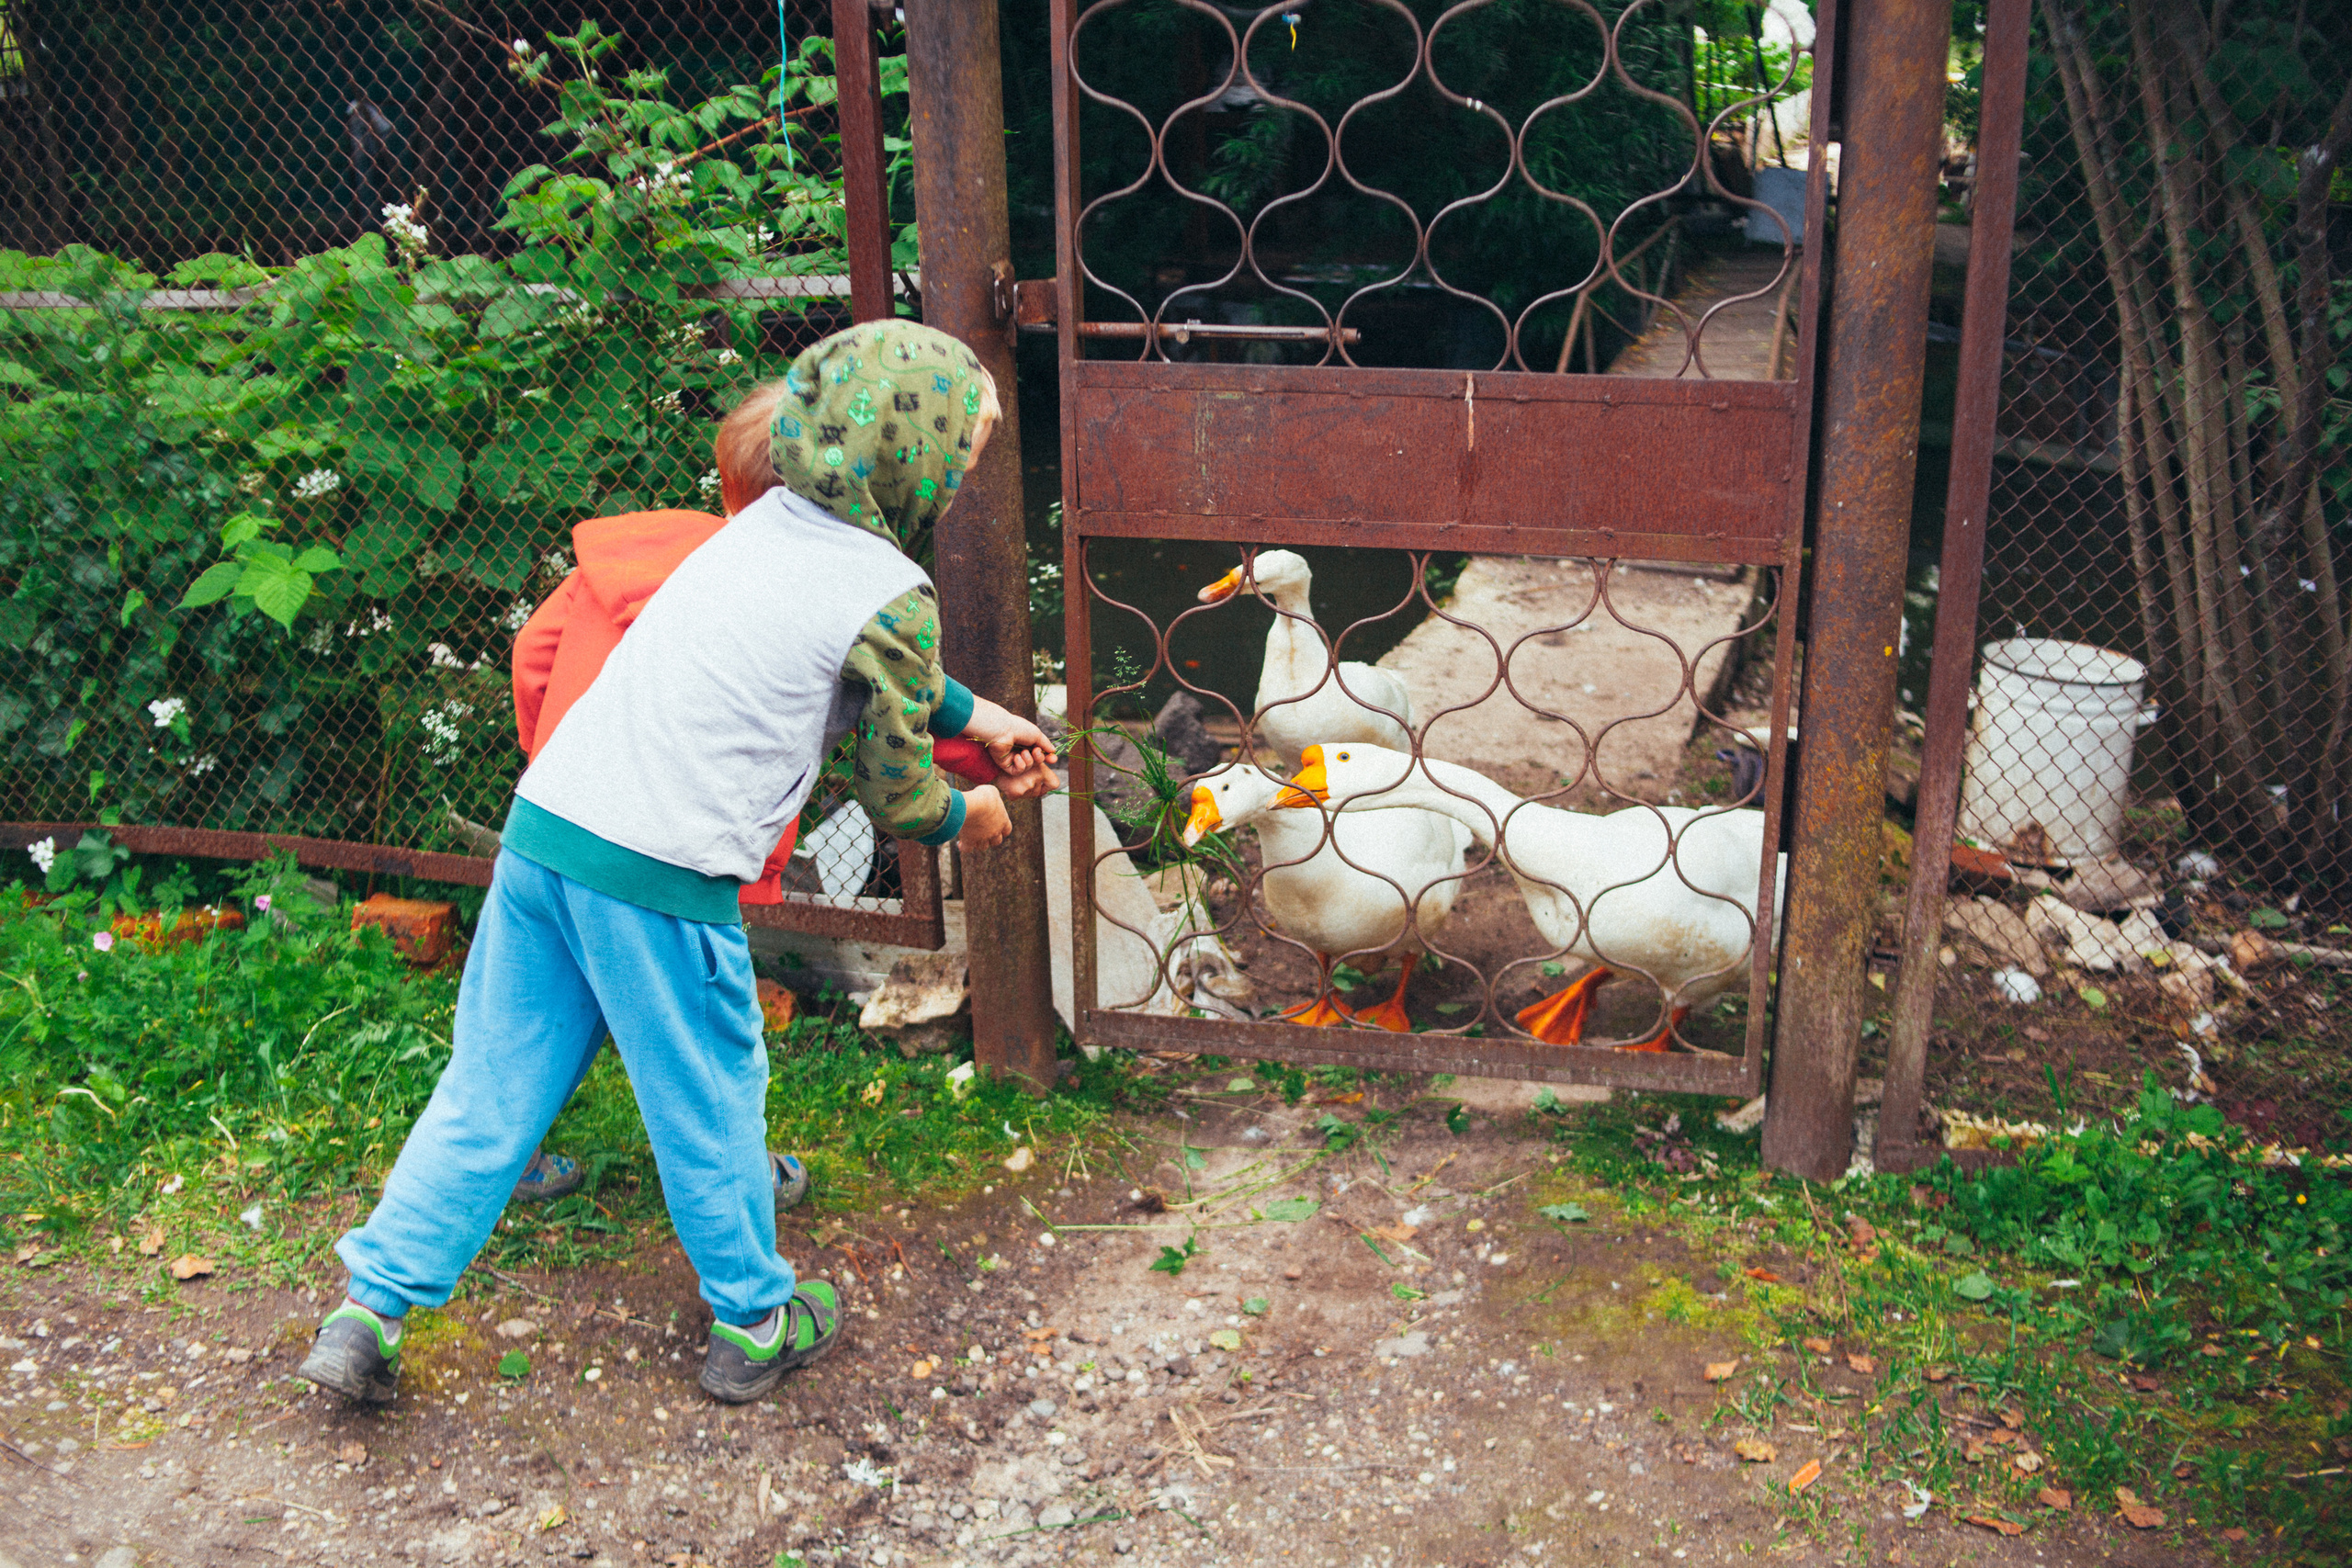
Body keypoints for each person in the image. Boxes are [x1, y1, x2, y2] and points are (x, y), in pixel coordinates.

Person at [300, 321, 1057, 1405]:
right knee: (707, 1094)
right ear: (914, 463)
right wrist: (971, 815)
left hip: (548, 831)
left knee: (492, 1085)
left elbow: (880, 672)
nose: (967, 474)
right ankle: (754, 1320)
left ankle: (367, 1307)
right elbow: (899, 791)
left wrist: (977, 712)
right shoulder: (887, 588)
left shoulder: (746, 537)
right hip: (657, 876)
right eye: (966, 455)